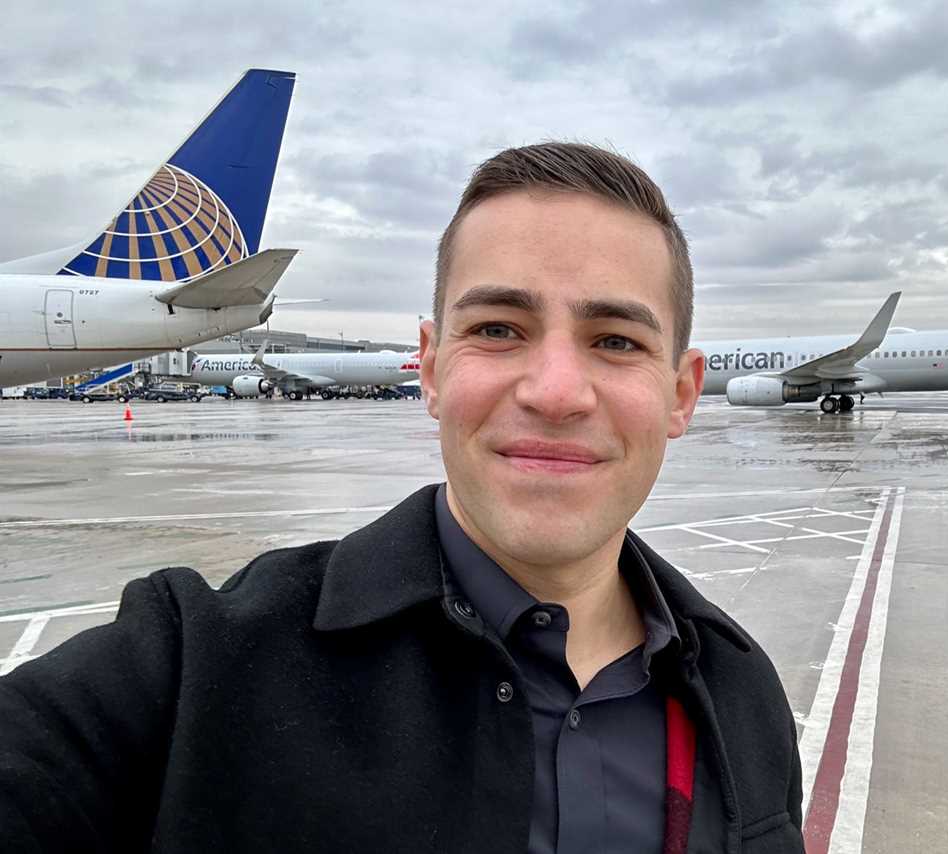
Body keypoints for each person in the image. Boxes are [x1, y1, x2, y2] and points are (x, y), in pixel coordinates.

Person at [0, 143, 804, 853]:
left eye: (617, 342)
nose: (556, 392)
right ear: (429, 366)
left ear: (682, 395)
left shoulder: (744, 697)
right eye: (497, 328)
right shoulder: (197, 667)